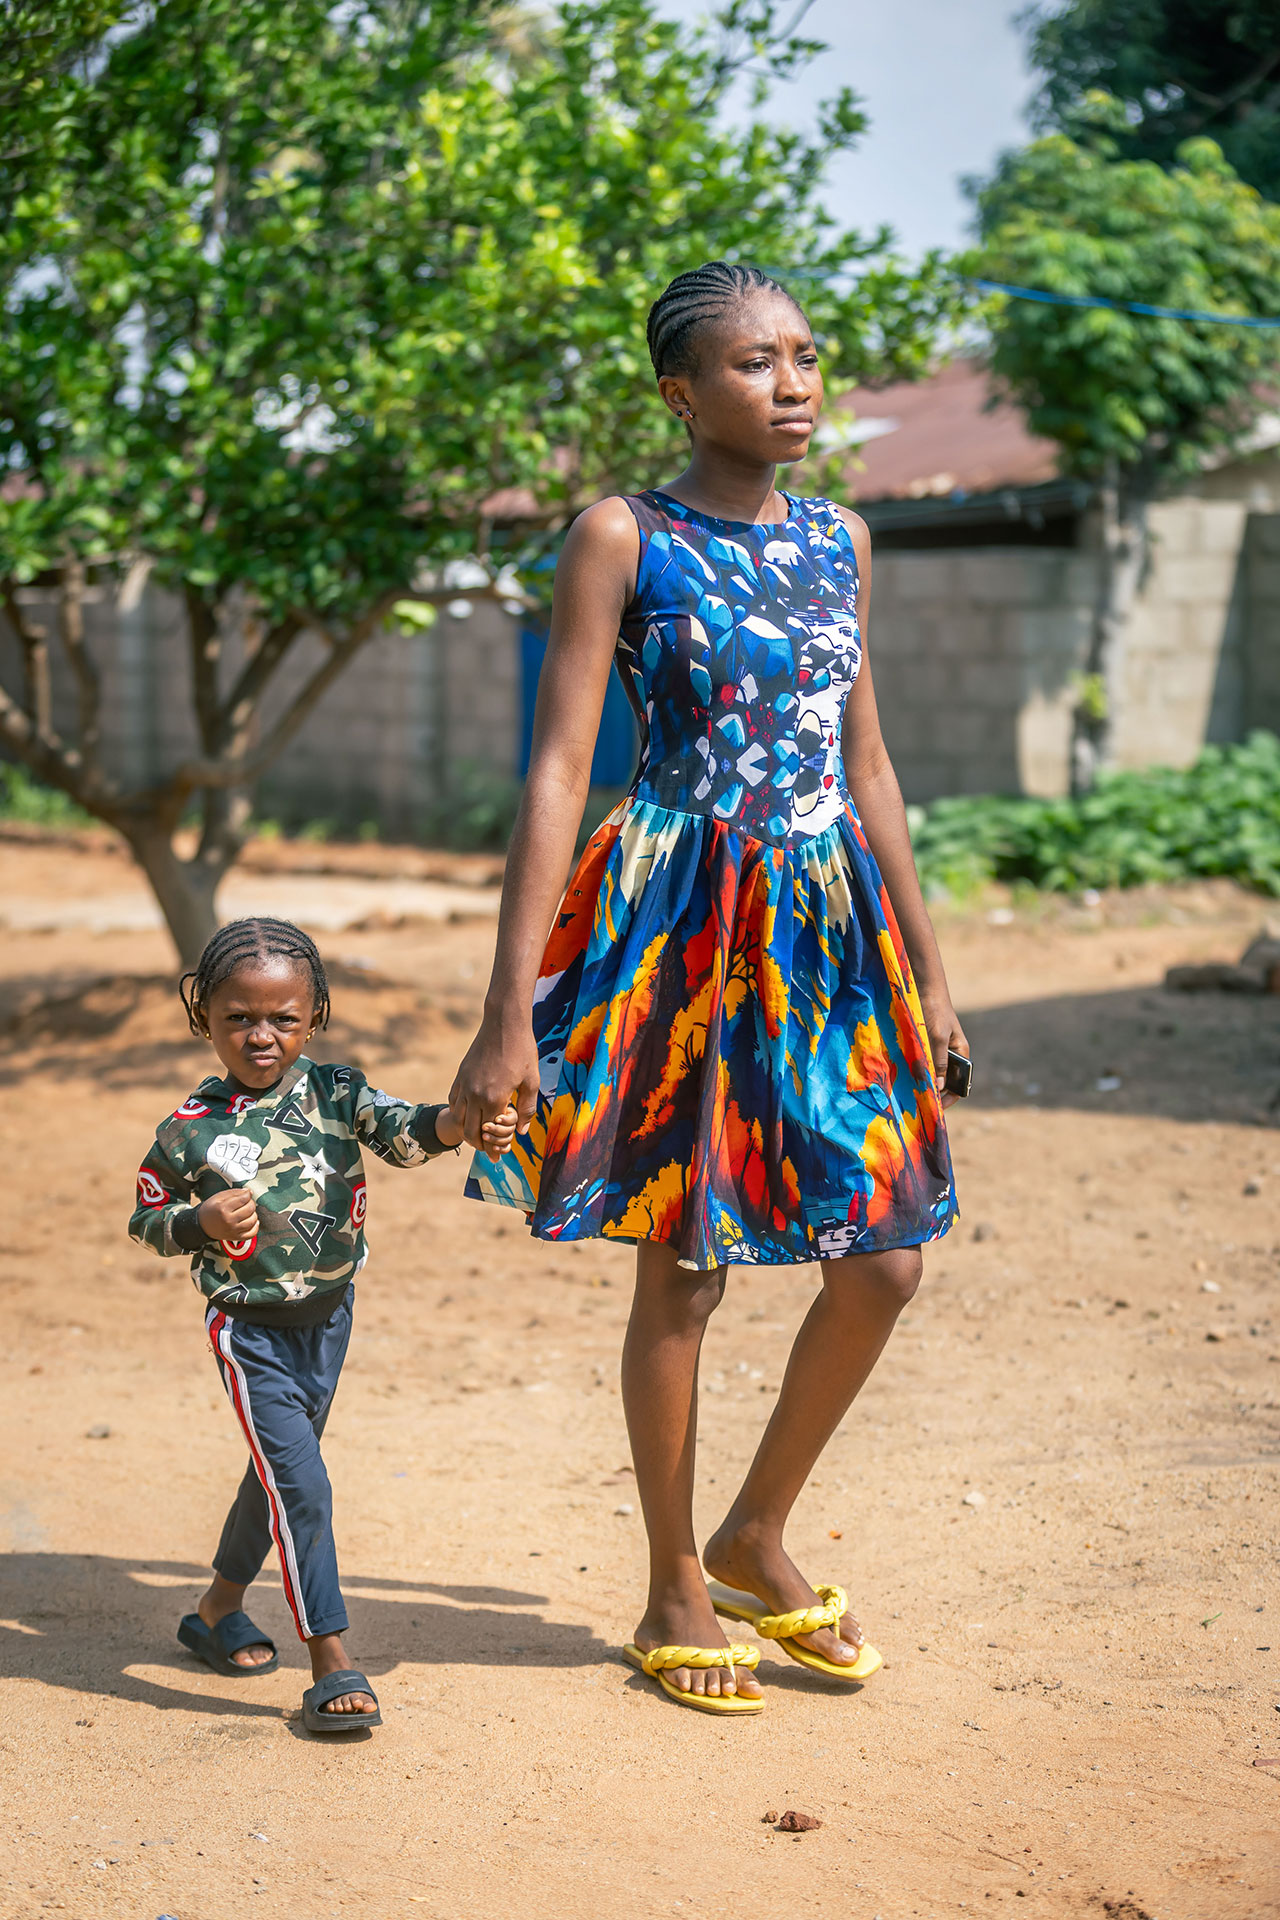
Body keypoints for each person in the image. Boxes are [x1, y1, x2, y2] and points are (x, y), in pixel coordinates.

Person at [451, 259, 968, 1716]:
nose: (794, 383)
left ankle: (756, 1532)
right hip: (679, 922)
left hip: (821, 919)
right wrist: (508, 1010)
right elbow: (560, 766)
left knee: (884, 1258)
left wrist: (928, 975)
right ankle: (676, 1581)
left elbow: (865, 764)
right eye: (755, 363)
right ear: (682, 392)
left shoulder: (841, 541)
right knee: (687, 1262)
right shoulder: (622, 534)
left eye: (806, 356)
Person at [129, 915, 515, 1733]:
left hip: (330, 1321)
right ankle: (332, 1661)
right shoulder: (189, 1129)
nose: (261, 1036)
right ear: (204, 1017)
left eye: (283, 1019)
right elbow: (147, 1219)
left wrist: (463, 1123)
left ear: (315, 1015)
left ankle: (214, 1611)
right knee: (302, 1484)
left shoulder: (338, 1093)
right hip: (251, 1334)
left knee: (272, 1475)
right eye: (238, 1018)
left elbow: (411, 1134)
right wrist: (197, 1220)